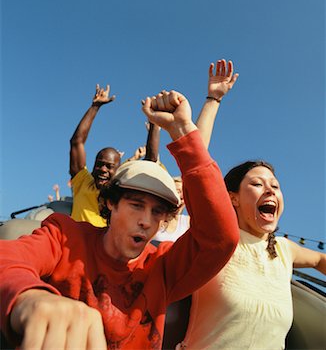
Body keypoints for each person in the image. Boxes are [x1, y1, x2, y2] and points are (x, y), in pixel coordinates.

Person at [0, 89, 239, 350]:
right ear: (110, 202)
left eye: (157, 211)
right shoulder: (64, 236)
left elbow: (220, 238)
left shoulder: (163, 267)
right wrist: (30, 297)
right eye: (136, 205)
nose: (146, 221)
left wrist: (182, 129)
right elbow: (8, 259)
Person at [177, 172, 326, 345]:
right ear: (233, 198)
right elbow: (196, 170)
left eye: (275, 186)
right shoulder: (215, 238)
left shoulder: (283, 248)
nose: (270, 190)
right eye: (257, 184)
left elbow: (319, 260)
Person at [155, 58, 239, 243]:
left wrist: (214, 99)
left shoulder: (191, 226)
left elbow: (195, 158)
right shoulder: (147, 221)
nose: (178, 196)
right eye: (175, 191)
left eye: (183, 193)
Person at [70, 83, 121, 227]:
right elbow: (76, 142)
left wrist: (154, 126)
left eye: (109, 166)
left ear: (118, 170)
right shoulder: (83, 182)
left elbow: (151, 161)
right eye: (99, 164)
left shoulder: (122, 196)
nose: (103, 169)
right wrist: (95, 107)